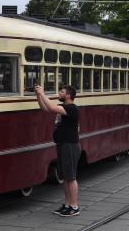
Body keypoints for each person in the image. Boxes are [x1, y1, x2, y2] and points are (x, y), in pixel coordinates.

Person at [35, 85, 81, 217]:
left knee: (71, 177)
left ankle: (74, 206)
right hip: (63, 145)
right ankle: (67, 205)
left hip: (70, 145)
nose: (59, 93)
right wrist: (39, 96)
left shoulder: (72, 108)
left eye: (61, 91)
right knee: (66, 177)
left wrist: (43, 93)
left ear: (68, 95)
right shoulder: (64, 107)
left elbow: (51, 107)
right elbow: (45, 108)